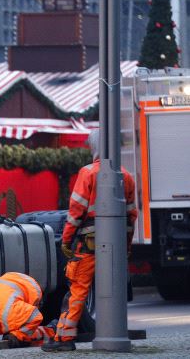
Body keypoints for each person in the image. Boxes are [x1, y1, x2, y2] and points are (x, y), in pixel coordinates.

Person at [42, 129, 137, 352]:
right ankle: (115, 332)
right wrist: (127, 246)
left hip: (89, 247)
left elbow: (75, 212)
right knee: (114, 288)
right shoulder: (126, 176)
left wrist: (66, 241)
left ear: (93, 147)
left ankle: (64, 339)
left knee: (77, 291)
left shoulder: (87, 173)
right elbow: (132, 216)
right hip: (117, 248)